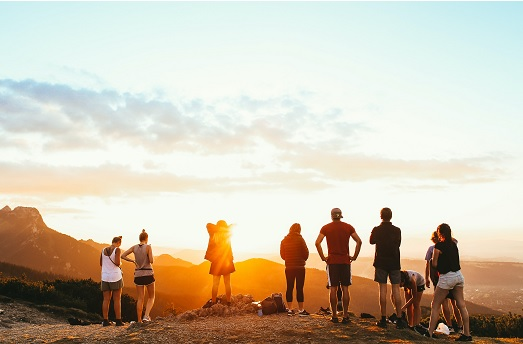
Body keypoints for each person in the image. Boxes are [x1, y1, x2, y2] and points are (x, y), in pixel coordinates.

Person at [315, 208, 362, 324]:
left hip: (332, 261)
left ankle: (334, 316)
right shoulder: (348, 227)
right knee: (345, 288)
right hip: (345, 261)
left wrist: (322, 257)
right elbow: (359, 241)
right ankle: (345, 316)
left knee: (333, 288)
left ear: (331, 216)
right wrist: (354, 256)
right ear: (341, 216)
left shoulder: (326, 228)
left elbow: (317, 242)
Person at [426, 223, 472, 341]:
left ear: (440, 233)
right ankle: (467, 334)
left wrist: (433, 261)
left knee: (435, 305)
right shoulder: (453, 244)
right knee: (461, 305)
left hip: (447, 277)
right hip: (458, 276)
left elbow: (435, 264)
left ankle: (429, 333)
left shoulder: (438, 246)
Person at [370, 207, 408, 329]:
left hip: (381, 262)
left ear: (381, 216)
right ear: (391, 216)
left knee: (382, 289)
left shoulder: (377, 229)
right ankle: (399, 318)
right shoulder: (397, 230)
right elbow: (398, 244)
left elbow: (371, 241)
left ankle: (383, 319)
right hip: (394, 262)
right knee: (396, 290)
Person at [425, 231, 463, 333]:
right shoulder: (451, 245)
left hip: (441, 277)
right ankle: (460, 327)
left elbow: (429, 265)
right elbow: (455, 240)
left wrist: (427, 278)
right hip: (451, 276)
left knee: (442, 304)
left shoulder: (432, 249)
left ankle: (449, 326)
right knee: (455, 303)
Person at [121, 229, 155, 323]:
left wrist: (132, 261)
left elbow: (123, 255)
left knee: (140, 298)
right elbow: (151, 260)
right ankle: (146, 316)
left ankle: (139, 320)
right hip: (148, 273)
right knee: (151, 297)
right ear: (146, 238)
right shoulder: (148, 247)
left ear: (139, 238)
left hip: (138, 274)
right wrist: (150, 252)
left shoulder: (134, 247)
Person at [203, 220, 235, 307]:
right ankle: (229, 302)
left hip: (216, 261)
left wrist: (219, 228)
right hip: (226, 261)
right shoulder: (227, 235)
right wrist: (225, 228)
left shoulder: (213, 234)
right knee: (227, 283)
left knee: (215, 284)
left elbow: (208, 224)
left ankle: (213, 302)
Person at [280, 223, 310, 316]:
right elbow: (306, 253)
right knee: (299, 288)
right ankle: (301, 310)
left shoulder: (284, 240)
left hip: (289, 267)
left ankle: (290, 309)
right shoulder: (300, 239)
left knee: (289, 287)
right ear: (299, 230)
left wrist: (289, 259)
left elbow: (282, 255)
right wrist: (301, 259)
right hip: (300, 267)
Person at [100, 236, 124, 327]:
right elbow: (118, 263)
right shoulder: (117, 250)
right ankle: (118, 320)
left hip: (105, 276)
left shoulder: (103, 250)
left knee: (106, 299)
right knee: (117, 299)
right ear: (118, 242)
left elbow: (101, 264)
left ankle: (105, 320)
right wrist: (121, 263)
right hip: (115, 276)